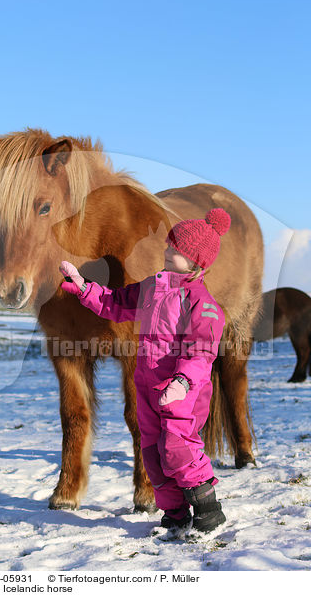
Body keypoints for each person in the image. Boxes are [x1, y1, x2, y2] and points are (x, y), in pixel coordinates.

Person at [59, 207, 231, 535]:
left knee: (178, 448)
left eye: (175, 250)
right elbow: (117, 303)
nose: (167, 251)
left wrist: (182, 381)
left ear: (196, 261)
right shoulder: (153, 287)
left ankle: (208, 507)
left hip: (183, 390)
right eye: (168, 245)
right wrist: (84, 288)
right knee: (152, 452)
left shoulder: (201, 303)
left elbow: (201, 349)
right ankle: (175, 513)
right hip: (148, 386)